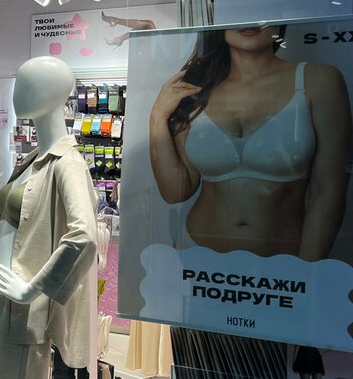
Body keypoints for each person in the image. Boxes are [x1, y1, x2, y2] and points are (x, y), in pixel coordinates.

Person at [150, 25, 351, 258]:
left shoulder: (318, 80)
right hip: (195, 253)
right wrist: (157, 116)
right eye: (237, 16)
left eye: (261, 14)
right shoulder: (197, 89)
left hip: (285, 260)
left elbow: (328, 189)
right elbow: (175, 192)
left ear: (280, 23)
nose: (250, 24)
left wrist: (308, 269)